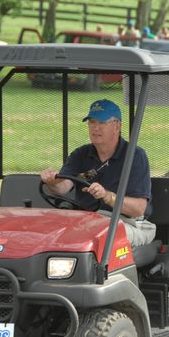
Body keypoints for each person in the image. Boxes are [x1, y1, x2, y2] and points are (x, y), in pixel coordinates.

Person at [40, 99, 156, 247]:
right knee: (49, 231)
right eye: (92, 122)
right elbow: (63, 187)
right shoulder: (81, 154)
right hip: (86, 221)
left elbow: (138, 208)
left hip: (128, 223)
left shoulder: (135, 155)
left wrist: (107, 196)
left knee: (99, 234)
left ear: (117, 126)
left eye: (102, 123)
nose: (95, 128)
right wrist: (51, 181)